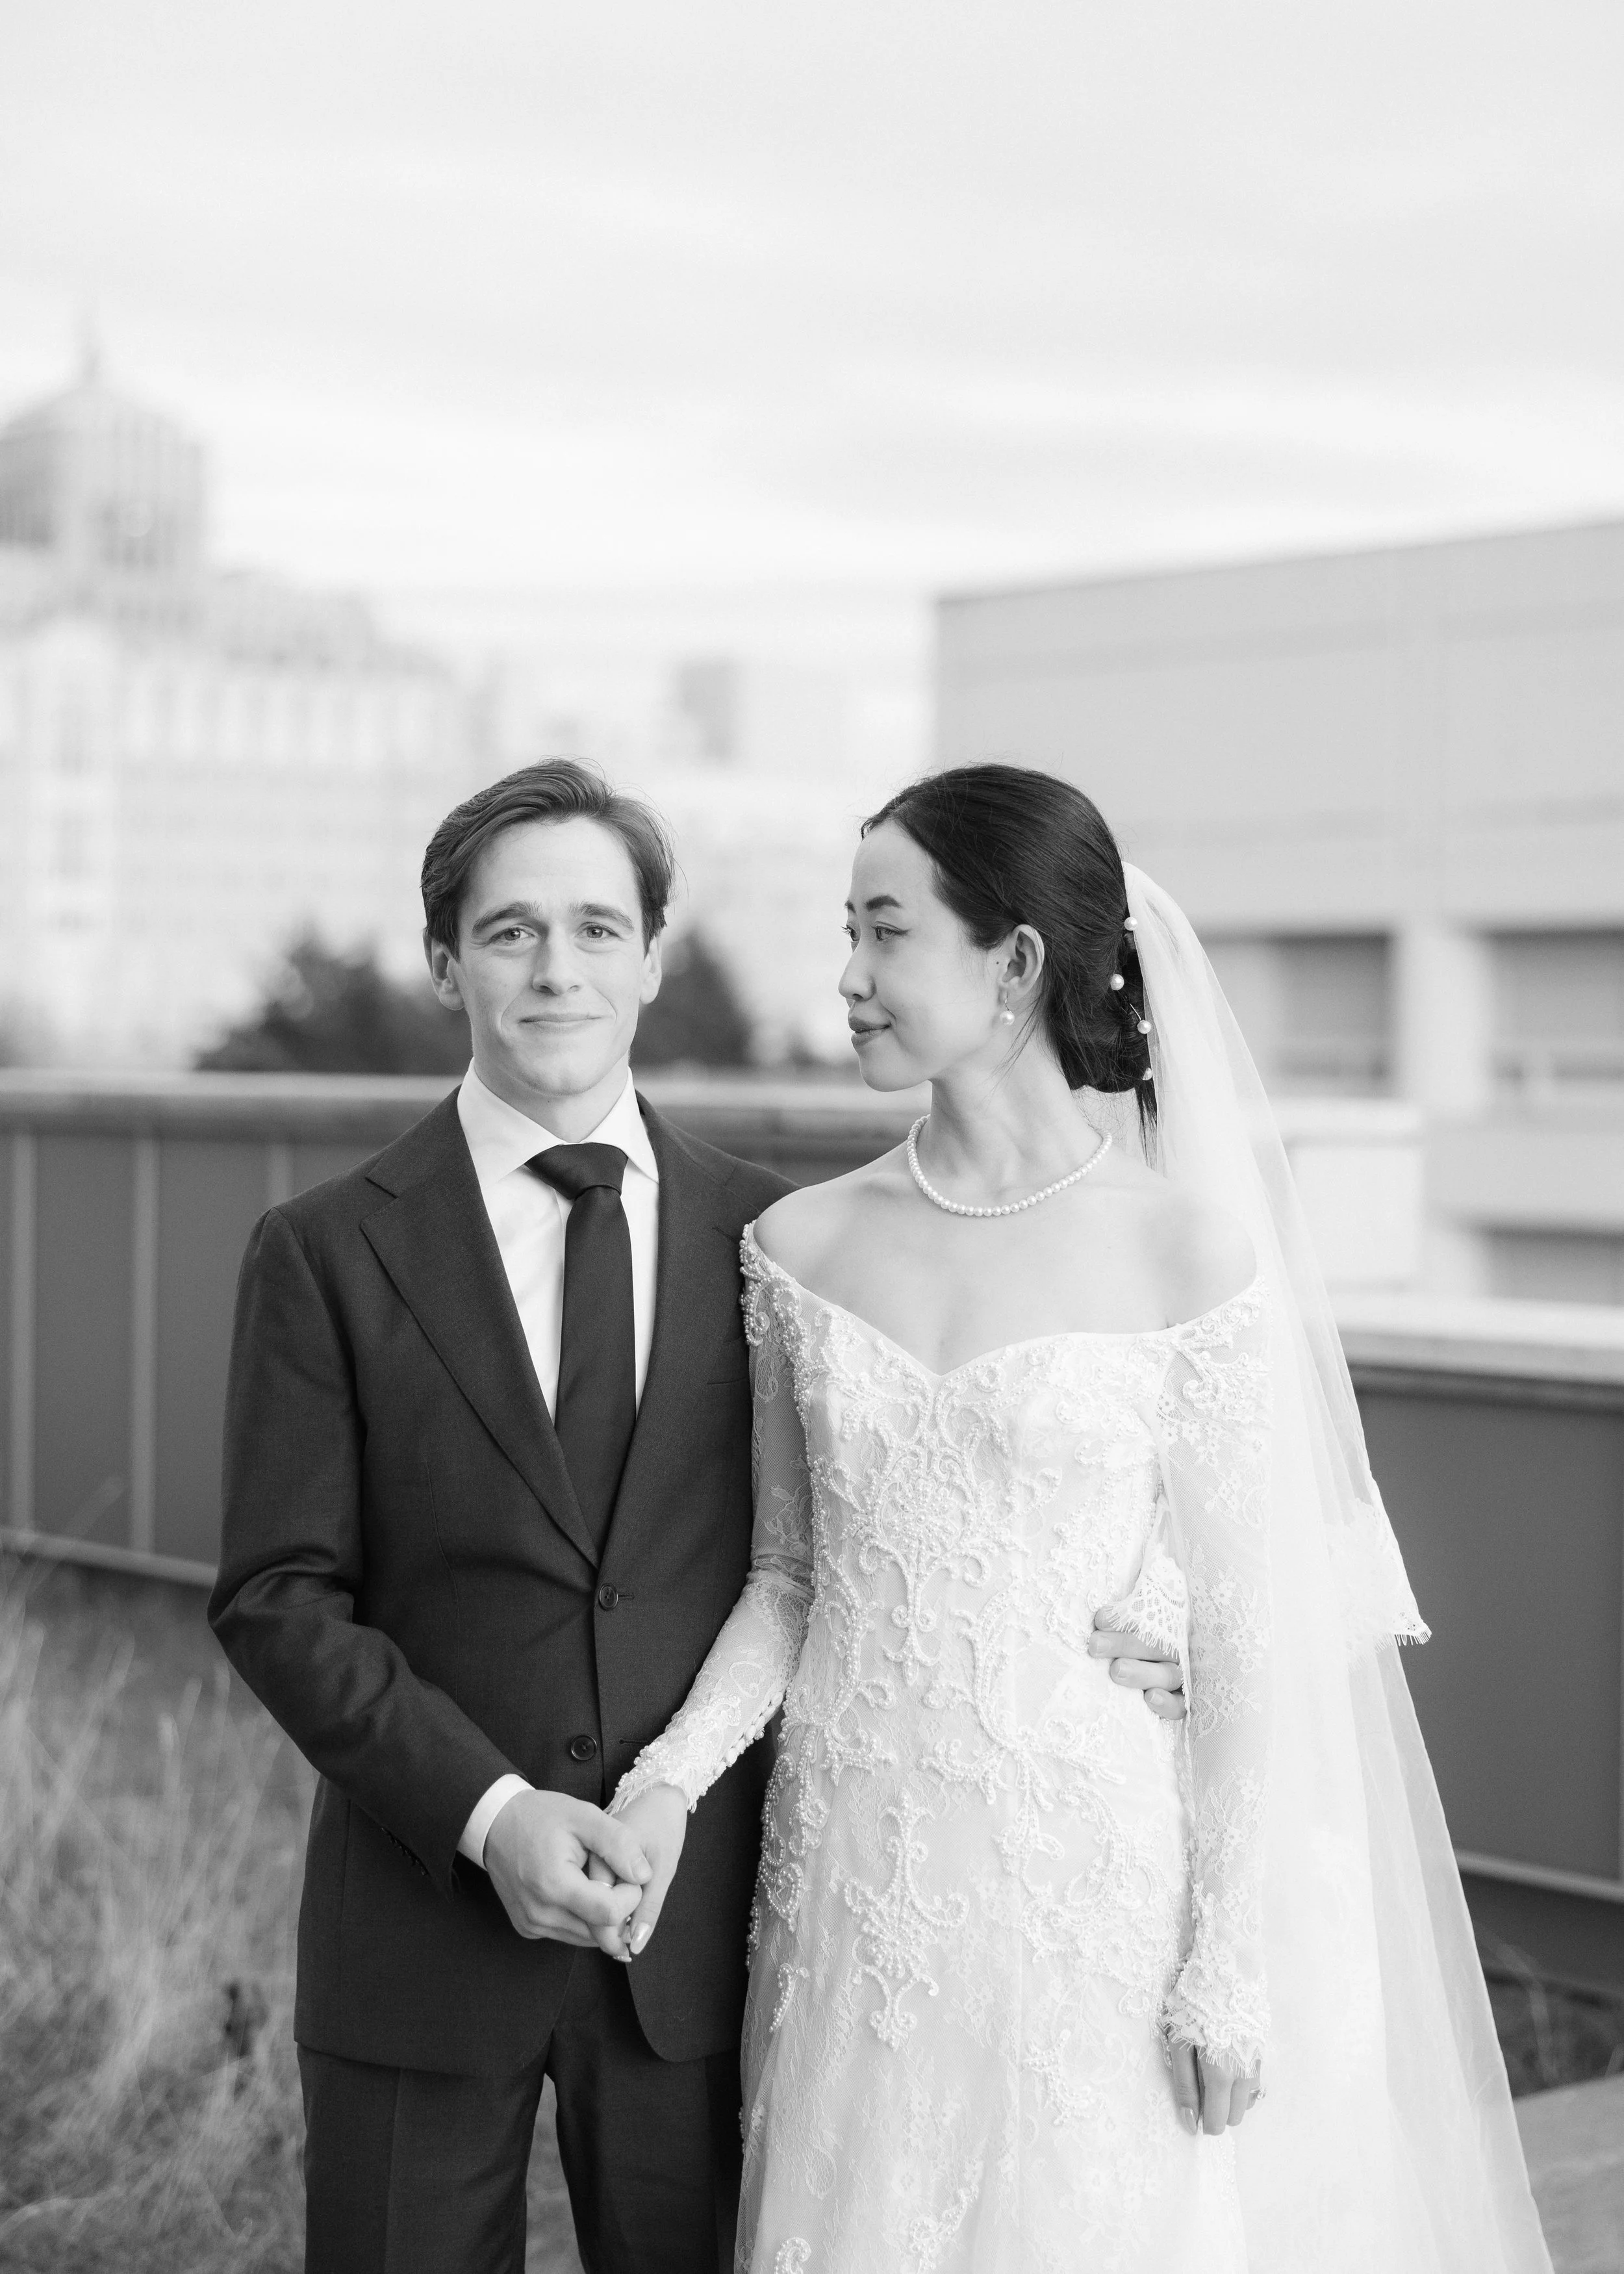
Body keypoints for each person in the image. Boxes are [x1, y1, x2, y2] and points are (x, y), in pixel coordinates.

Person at [207, 759, 1184, 2274]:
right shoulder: (324, 1250)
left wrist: (1170, 1609)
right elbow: (277, 1598)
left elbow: (904, 1519)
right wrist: (491, 1814)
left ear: (652, 957)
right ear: (444, 960)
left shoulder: (784, 1236)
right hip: (416, 1935)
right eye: (512, 929)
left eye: (598, 927)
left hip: (707, 1953)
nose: (556, 968)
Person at [605, 765, 1554, 2273]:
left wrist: (1223, 1963)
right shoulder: (795, 1246)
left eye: (882, 933)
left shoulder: (1187, 1250)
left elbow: (1245, 1627)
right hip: (852, 1885)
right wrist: (665, 1779)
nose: (843, 979)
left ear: (1015, 964)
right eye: (842, 933)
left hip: (1092, 1896)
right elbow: (788, 1584)